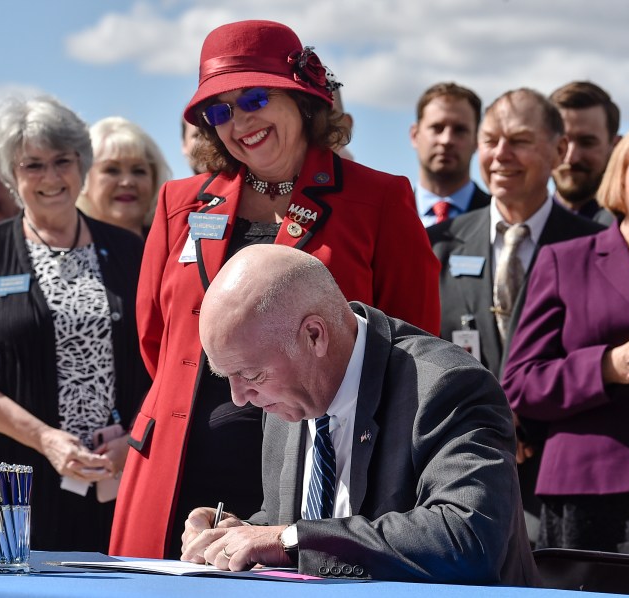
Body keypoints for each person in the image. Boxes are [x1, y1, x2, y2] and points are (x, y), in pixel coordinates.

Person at [110, 19, 441, 559]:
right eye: (220, 111)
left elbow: (413, 345)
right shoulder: (178, 204)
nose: (240, 121)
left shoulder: (379, 200)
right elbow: (157, 342)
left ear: (303, 100)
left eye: (255, 98)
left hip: (319, 473)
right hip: (177, 469)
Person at [179, 244, 538, 585]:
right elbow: (297, 527)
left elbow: (467, 538)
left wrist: (288, 540)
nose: (239, 398)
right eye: (227, 377)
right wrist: (234, 533)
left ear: (314, 335)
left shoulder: (445, 387)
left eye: (251, 374)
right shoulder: (284, 399)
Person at [0, 95, 149, 552]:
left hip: (115, 480)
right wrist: (46, 439)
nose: (50, 178)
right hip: (11, 487)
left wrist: (135, 440)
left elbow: (162, 362)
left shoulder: (129, 250)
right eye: (33, 165)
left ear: (81, 163)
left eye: (61, 161)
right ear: (11, 175)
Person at [428, 88, 605, 543]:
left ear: (559, 150)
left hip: (565, 484)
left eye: (520, 141)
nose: (501, 155)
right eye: (490, 140)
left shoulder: (598, 247)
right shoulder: (438, 243)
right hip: (464, 476)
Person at [501, 124, 629, 554]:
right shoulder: (567, 260)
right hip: (592, 492)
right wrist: (608, 367)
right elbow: (520, 383)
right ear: (622, 175)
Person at [410, 82, 491, 227]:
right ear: (415, 135)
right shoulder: (384, 216)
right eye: (437, 128)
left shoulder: (501, 219)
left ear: (477, 140)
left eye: (460, 130)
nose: (447, 140)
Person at [76, 116, 171, 238]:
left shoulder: (178, 244)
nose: (127, 182)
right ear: (84, 178)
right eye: (112, 170)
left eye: (138, 171)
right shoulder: (68, 247)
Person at [549, 81, 621, 223]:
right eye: (561, 144)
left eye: (587, 143)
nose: (571, 158)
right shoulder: (521, 229)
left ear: (616, 146)